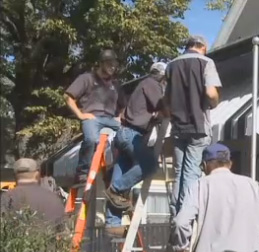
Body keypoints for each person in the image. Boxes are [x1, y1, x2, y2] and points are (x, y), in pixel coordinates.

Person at [103, 62, 168, 236]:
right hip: (131, 134)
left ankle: (112, 223)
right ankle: (116, 189)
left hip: (124, 134)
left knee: (121, 171)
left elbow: (152, 112)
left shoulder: (144, 86)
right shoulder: (151, 84)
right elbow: (161, 105)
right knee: (150, 164)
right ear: (161, 76)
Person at [163, 35, 222, 218]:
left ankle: (176, 211)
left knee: (179, 171)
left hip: (178, 126)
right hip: (198, 125)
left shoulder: (171, 65)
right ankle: (186, 215)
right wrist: (215, 103)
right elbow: (211, 93)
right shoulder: (206, 62)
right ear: (202, 47)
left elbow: (165, 99)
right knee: (191, 172)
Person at [65, 49, 125, 184]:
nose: (113, 67)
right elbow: (68, 97)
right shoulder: (87, 78)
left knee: (127, 138)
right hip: (93, 118)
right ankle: (82, 171)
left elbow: (123, 105)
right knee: (91, 139)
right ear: (101, 63)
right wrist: (80, 114)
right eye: (110, 64)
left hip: (111, 119)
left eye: (115, 64)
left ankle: (113, 170)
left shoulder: (115, 85)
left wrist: (119, 117)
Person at [0, 158, 66, 228]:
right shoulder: (53, 198)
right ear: (37, 175)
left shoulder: (6, 198)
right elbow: (61, 230)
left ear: (15, 176)